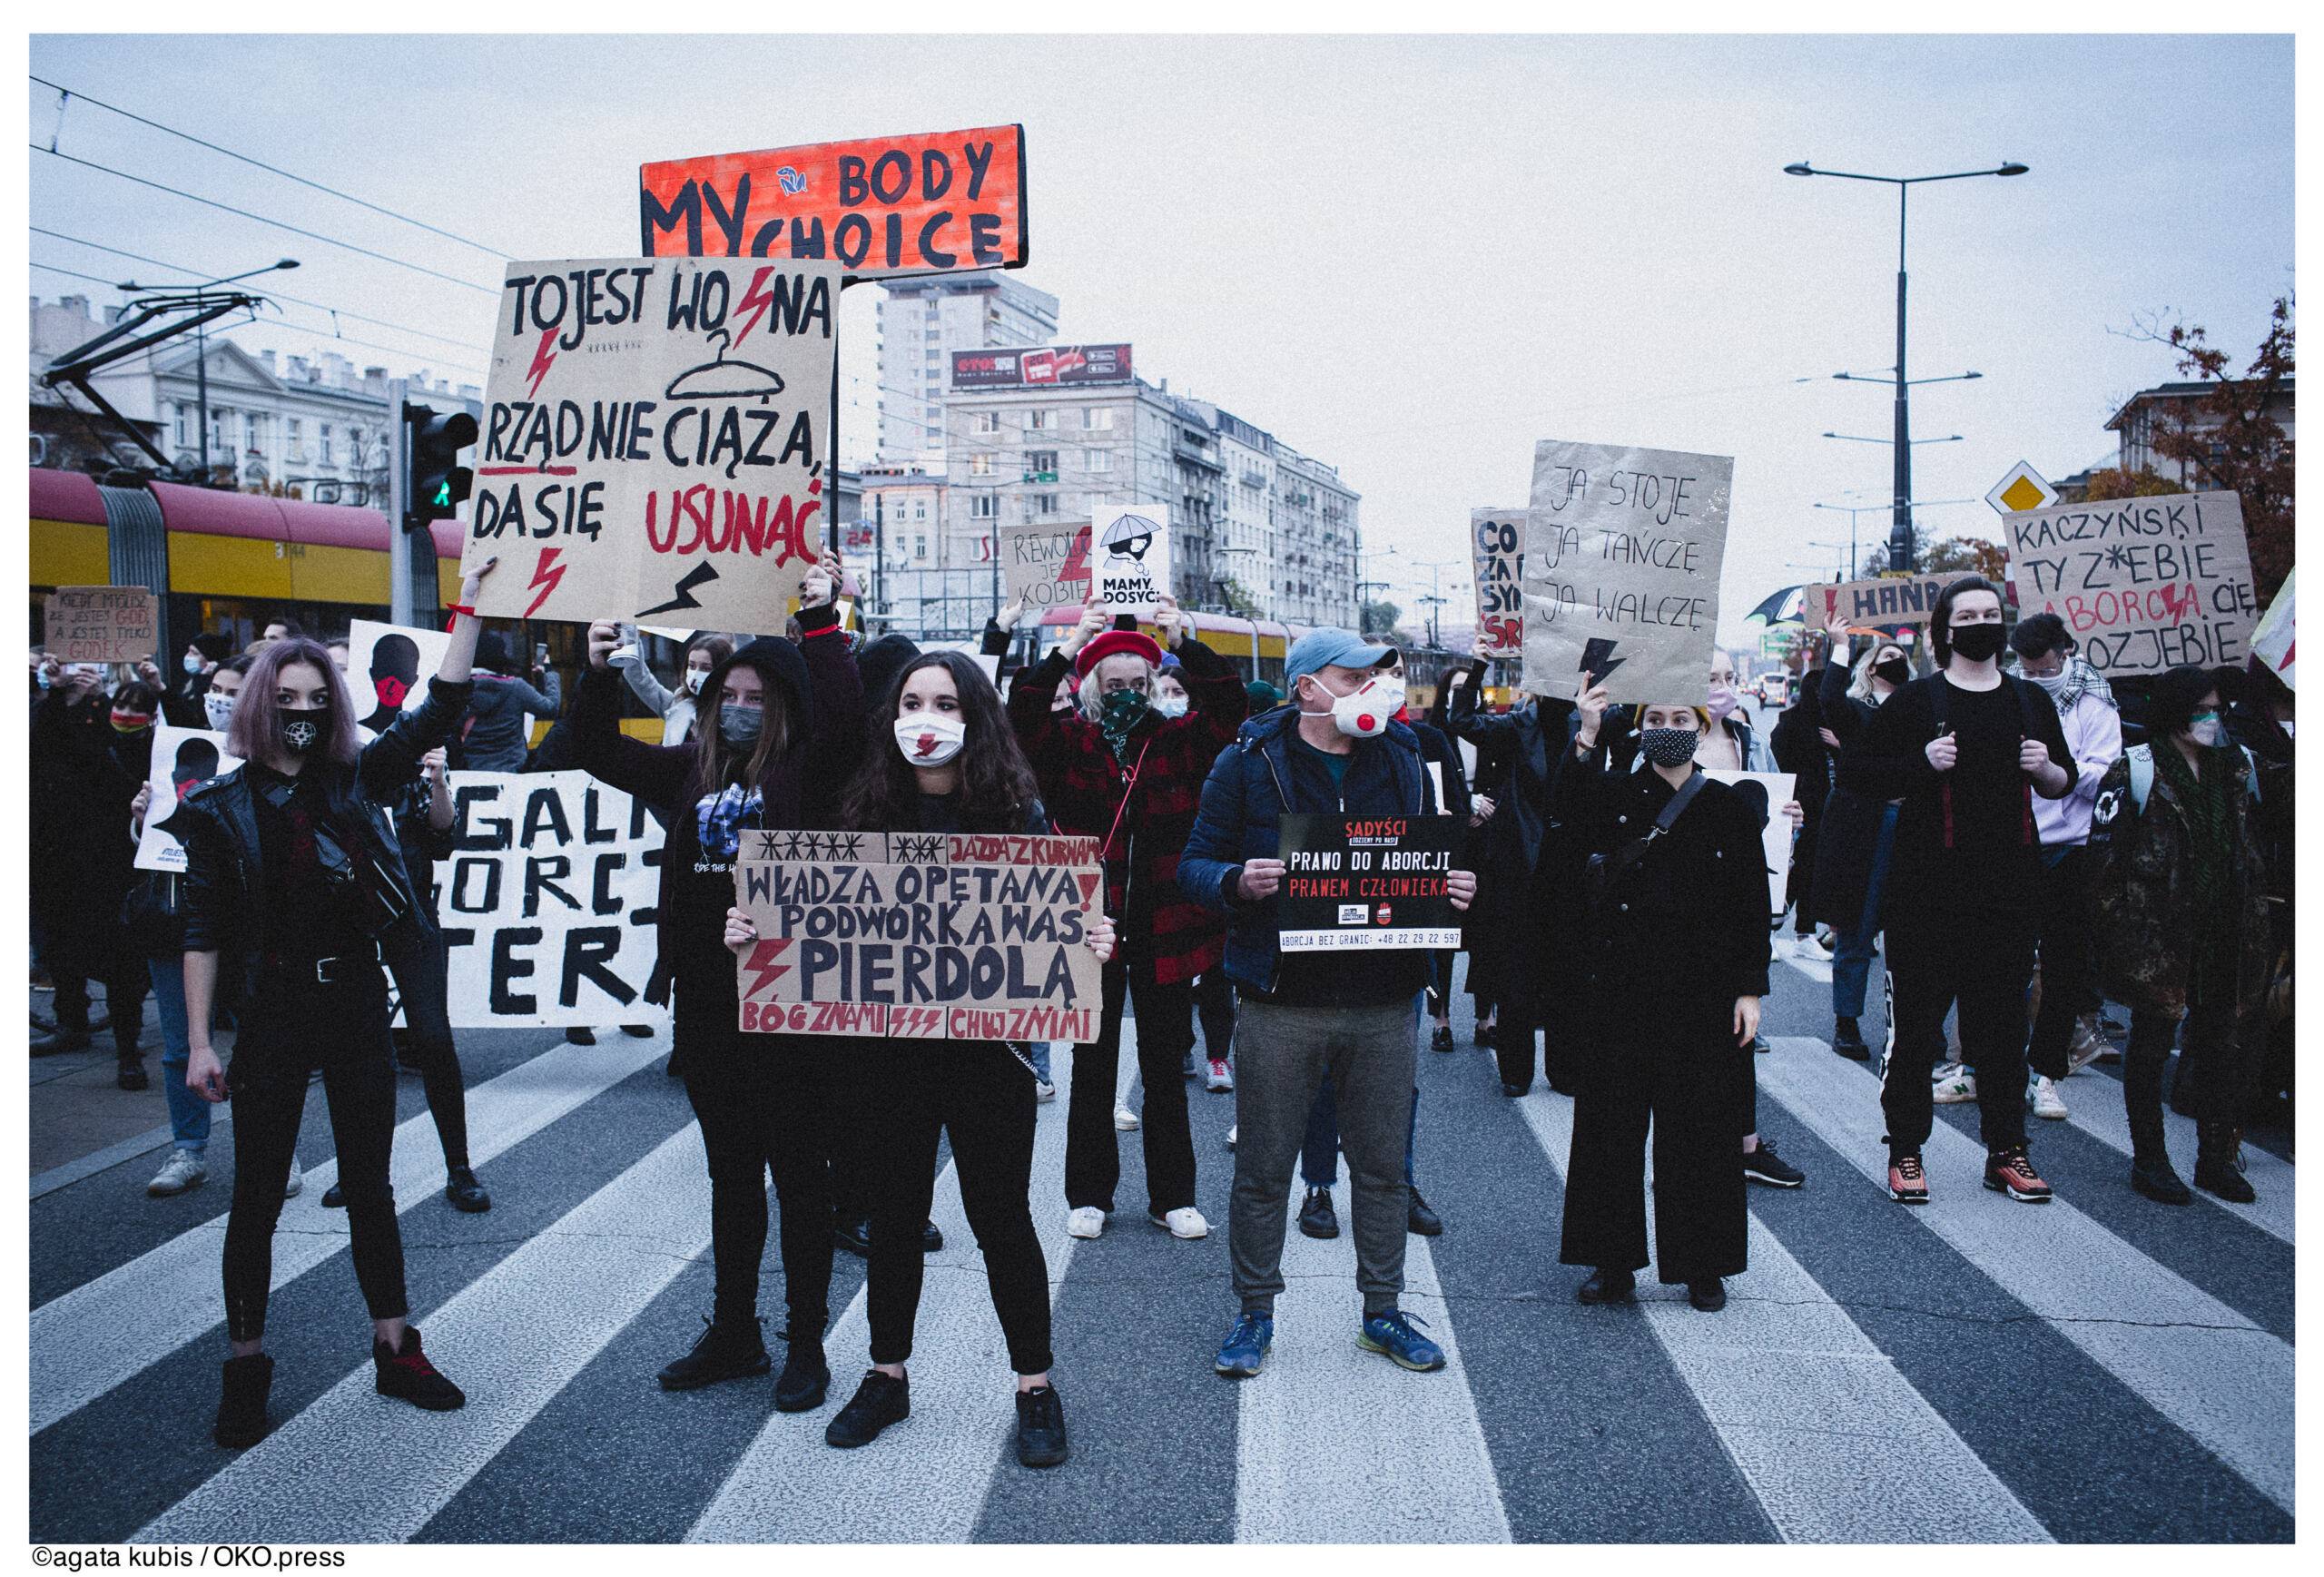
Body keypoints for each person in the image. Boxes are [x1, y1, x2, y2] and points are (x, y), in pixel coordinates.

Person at [725, 650, 1116, 1466]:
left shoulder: (1018, 815)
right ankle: (887, 1373)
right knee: (895, 1215)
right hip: (887, 1055)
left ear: (973, 719)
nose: (925, 717)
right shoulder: (861, 812)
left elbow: (1058, 922)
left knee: (1001, 1218)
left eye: (944, 702)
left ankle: (1035, 1386)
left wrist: (1092, 936)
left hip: (989, 1056)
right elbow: (811, 921)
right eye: (911, 701)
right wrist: (753, 933)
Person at [178, 557, 497, 1450]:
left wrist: (469, 604)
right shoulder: (218, 808)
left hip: (356, 997)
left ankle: (396, 1346)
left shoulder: (359, 779)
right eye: (288, 696)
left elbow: (437, 709)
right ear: (260, 707)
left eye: (319, 695)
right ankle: (246, 1363)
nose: (304, 711)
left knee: (371, 1188)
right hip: (273, 1007)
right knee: (255, 1199)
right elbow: (200, 927)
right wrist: (201, 1042)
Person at [570, 555, 862, 1412]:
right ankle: (734, 1329)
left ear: (780, 708)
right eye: (725, 698)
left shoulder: (812, 773)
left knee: (801, 1178)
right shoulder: (685, 775)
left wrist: (820, 618)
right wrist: (594, 672)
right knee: (732, 1176)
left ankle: (803, 1339)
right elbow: (589, 747)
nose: (738, 710)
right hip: (706, 1005)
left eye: (754, 699)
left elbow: (845, 717)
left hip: (791, 1004)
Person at [1181, 628, 1476, 1380]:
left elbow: (1428, 855)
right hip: (1282, 998)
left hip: (1384, 997)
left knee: (1381, 1168)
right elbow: (1194, 862)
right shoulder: (1247, 760)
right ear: (1308, 688)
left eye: (1381, 674)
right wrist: (1234, 881)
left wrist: (1451, 888)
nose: (1377, 687)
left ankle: (1382, 1310)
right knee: (1265, 1168)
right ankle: (1254, 1311)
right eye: (1356, 676)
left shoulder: (1405, 756)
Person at [1005, 597, 1246, 1243]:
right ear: (1091, 688)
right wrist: (1063, 646)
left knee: (1166, 1063)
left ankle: (1174, 1197)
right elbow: (1018, 718)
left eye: (1138, 684)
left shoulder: (1176, 739)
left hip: (1167, 922)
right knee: (1092, 1062)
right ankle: (1090, 1193)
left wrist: (1185, 643)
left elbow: (1229, 712)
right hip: (1089, 926)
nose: (1127, 694)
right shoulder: (1070, 743)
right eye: (1115, 685)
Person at [1840, 577, 2075, 1207]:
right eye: (1966, 614)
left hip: (2008, 895)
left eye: (1989, 613)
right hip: (1926, 897)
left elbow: (2063, 779)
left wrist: (2044, 768)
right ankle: (1907, 1151)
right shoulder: (1918, 702)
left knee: (2000, 1034)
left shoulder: (2028, 700)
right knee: (1917, 1033)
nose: (1979, 622)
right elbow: (1857, 773)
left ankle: (2007, 1151)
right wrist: (1921, 764)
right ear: (1945, 630)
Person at [1554, 677, 1767, 1312]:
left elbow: (1752, 905)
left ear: (1700, 726)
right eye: (1655, 715)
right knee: (1609, 1131)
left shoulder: (1728, 805)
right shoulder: (1615, 793)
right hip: (1618, 989)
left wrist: (1750, 989)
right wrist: (1587, 736)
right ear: (1640, 726)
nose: (1667, 724)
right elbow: (1564, 824)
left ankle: (1704, 1265)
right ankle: (1610, 1262)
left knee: (1702, 1132)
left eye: (1680, 715)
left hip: (1702, 995)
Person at [2090, 666, 2274, 1204]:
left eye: (2218, 709)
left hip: (2229, 933)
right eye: (2202, 710)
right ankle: (2150, 1160)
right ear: (2174, 713)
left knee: (2221, 1047)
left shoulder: (2240, 768)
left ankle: (2215, 1159)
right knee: (2149, 1048)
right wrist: (2117, 938)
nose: (2213, 720)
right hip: (2157, 941)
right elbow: (2103, 866)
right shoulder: (2136, 771)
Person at [316, 745, 489, 1214]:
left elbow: (442, 840)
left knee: (433, 1037)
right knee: (358, 1048)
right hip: (350, 924)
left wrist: (437, 783)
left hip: (412, 920)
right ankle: (359, 1171)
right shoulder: (335, 775)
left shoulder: (407, 771)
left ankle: (459, 1167)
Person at [132, 657, 252, 1198]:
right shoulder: (175, 758)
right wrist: (142, 819)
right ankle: (189, 1150)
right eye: (216, 688)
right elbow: (149, 853)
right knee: (182, 1044)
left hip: (248, 926)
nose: (221, 699)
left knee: (260, 1041)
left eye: (234, 691)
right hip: (175, 923)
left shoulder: (273, 766)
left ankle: (272, 1146)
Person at [1443, 661, 1577, 1093]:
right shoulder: (1517, 724)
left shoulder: (1593, 722)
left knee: (1564, 979)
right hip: (1517, 866)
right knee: (1515, 978)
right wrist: (1480, 663)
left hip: (1569, 869)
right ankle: (1516, 1073)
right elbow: (1461, 720)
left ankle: (1564, 1070)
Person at [2010, 614, 2123, 1121]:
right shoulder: (2008, 693)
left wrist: (2060, 775)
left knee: (2064, 966)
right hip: (2014, 841)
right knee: (2003, 960)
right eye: (2027, 670)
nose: (2035, 678)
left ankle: (2047, 1072)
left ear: (2066, 652)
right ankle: (1992, 1065)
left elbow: (2106, 774)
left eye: (2044, 669)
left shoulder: (2095, 700)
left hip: (2071, 846)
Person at [31, 668, 153, 1076]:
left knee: (121, 960)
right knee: (62, 946)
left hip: (112, 867)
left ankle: (127, 1050)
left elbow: (109, 767)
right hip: (62, 859)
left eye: (135, 708)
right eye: (120, 705)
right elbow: (44, 743)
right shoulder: (65, 728)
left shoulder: (137, 748)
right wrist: (58, 695)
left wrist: (99, 702)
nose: (124, 714)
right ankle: (72, 1020)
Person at [1808, 636, 1915, 1061]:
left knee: (1911, 933)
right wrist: (1838, 646)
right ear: (1870, 668)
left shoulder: (1919, 709)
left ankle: (1912, 1025)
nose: (1898, 664)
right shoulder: (1855, 710)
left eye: (1903, 658)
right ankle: (1847, 1021)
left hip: (1910, 826)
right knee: (1858, 929)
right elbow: (1830, 697)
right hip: (1867, 829)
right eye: (1889, 658)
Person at [611, 630, 734, 746]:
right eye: (691, 666)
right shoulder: (677, 703)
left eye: (706, 668)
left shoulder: (736, 709)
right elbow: (639, 678)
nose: (695, 674)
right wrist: (630, 635)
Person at [459, 633, 560, 772]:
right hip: (512, 771)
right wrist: (548, 672)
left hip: (469, 772)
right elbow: (551, 708)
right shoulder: (516, 687)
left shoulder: (458, 690)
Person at [358, 632, 424, 736]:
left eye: (402, 675)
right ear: (372, 673)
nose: (391, 688)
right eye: (384, 673)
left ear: (414, 680)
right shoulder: (353, 733)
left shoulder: (422, 737)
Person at [165, 631, 231, 728]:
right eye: (189, 651)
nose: (188, 656)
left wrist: (204, 677)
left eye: (194, 653)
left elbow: (201, 713)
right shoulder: (191, 681)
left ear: (210, 659)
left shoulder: (215, 685)